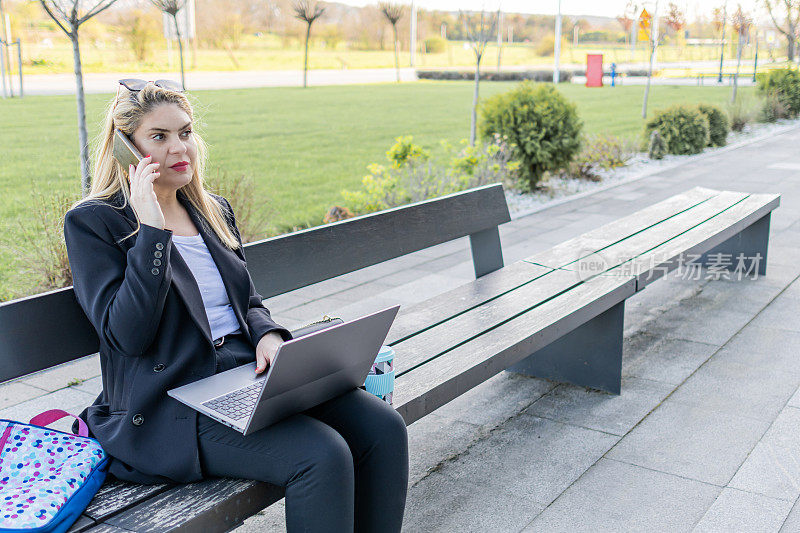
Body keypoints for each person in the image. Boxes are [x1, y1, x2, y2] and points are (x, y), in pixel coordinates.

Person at [63, 79, 409, 532]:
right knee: (321, 455)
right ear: (127, 148)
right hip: (171, 404)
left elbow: (246, 301)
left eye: (185, 133)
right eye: (159, 137)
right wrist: (151, 232)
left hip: (244, 376)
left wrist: (266, 333)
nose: (177, 148)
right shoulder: (95, 223)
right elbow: (128, 336)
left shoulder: (212, 210)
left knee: (383, 429)